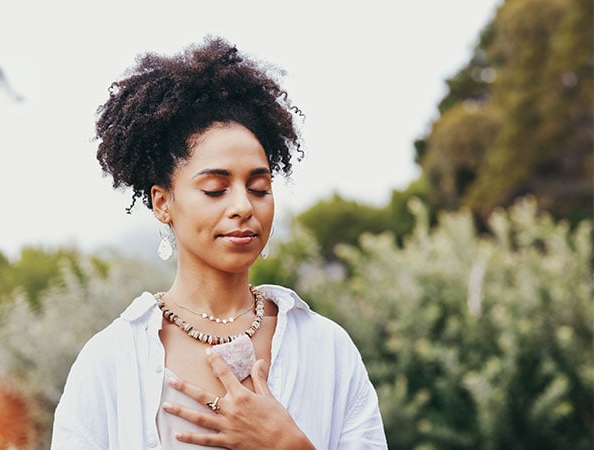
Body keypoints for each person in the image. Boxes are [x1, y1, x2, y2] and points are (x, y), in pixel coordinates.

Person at [51, 36, 387, 449]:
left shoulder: (327, 349)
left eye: (259, 188)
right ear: (162, 203)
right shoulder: (110, 361)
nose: (243, 206)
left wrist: (287, 444)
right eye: (215, 189)